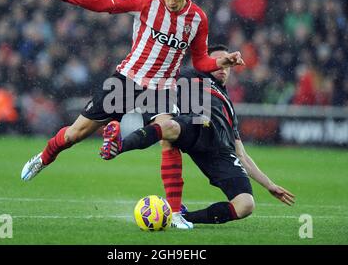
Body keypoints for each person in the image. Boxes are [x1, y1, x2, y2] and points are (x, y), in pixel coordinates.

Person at [20, 0, 243, 229]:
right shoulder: (147, 1)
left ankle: (174, 213)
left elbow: (200, 61)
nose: (171, 0)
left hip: (160, 89)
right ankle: (43, 158)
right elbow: (106, 4)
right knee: (75, 134)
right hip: (126, 81)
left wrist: (222, 62)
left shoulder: (198, 19)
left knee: (169, 136)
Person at [101, 44, 295, 226]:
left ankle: (184, 217)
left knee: (245, 205)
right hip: (197, 124)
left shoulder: (228, 105)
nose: (224, 66)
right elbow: (155, 75)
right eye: (219, 61)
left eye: (227, 63)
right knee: (171, 128)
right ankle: (119, 145)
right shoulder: (189, 76)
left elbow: (241, 154)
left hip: (219, 150)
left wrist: (269, 185)